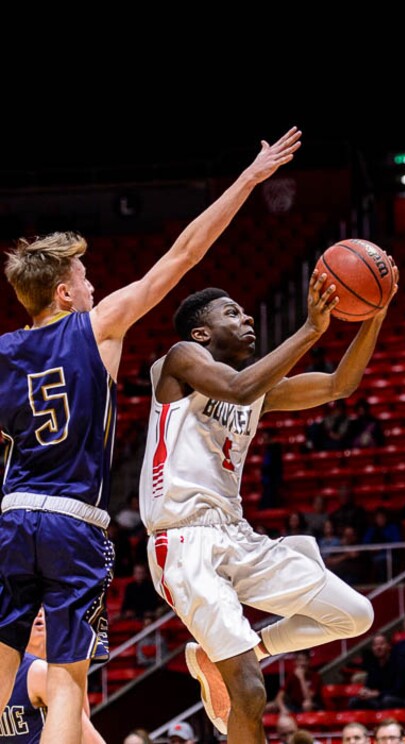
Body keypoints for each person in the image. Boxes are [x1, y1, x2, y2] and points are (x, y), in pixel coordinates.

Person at [0, 125, 303, 742]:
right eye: (84, 277)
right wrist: (248, 178)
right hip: (70, 519)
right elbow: (184, 255)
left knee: (4, 665)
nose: (92, 283)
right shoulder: (96, 325)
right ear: (65, 293)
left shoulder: (3, 352)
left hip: (11, 514)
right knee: (66, 681)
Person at [139, 259, 398, 743]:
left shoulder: (259, 391)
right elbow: (237, 387)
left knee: (355, 614)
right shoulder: (178, 362)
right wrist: (310, 328)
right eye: (232, 314)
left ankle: (247, 651)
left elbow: (340, 384)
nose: (248, 319)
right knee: (251, 694)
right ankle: (237, 670)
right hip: (183, 539)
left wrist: (375, 313)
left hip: (237, 535)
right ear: (201, 332)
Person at [0, 608, 106, 742]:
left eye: (43, 607)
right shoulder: (28, 669)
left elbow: (84, 732)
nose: (39, 613)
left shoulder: (46, 671)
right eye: (34, 606)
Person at [348, 632, 405, 710]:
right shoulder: (373, 665)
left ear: (389, 646)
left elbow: (400, 690)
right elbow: (370, 685)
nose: (378, 647)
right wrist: (365, 691)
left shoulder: (400, 663)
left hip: (402, 699)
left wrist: (377, 694)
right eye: (375, 645)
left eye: (381, 644)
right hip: (380, 699)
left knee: (387, 700)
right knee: (354, 701)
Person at [267, 650, 322, 715]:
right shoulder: (292, 676)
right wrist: (283, 708)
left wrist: (301, 678)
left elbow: (308, 698)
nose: (303, 663)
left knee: (306, 704)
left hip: (313, 705)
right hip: (295, 706)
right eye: (300, 660)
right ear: (295, 662)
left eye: (305, 660)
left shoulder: (315, 676)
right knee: (269, 706)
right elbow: (279, 696)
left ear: (309, 661)